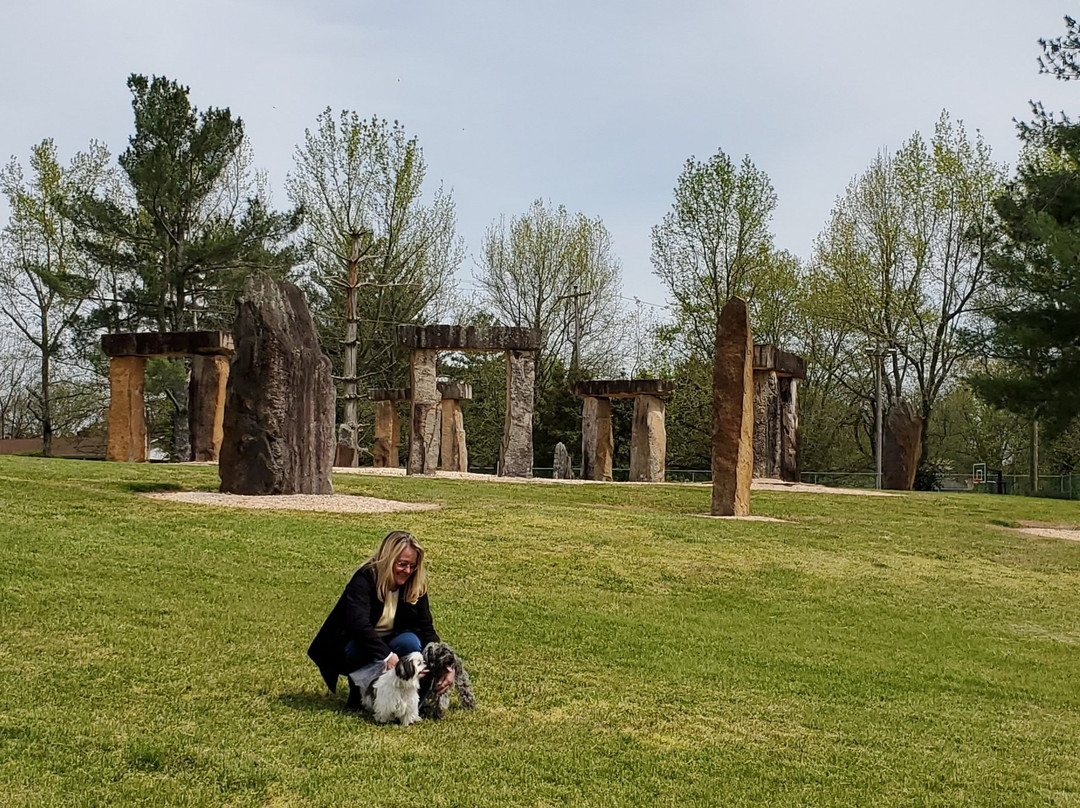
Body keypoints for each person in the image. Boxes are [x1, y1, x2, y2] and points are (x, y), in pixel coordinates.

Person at [308, 530, 455, 709]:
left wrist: (445, 665)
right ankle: (359, 690)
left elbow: (426, 628)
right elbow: (358, 624)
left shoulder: (415, 585)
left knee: (411, 642)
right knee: (358, 648)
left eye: (413, 566)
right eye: (402, 564)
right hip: (357, 643)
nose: (408, 571)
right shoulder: (365, 578)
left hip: (393, 640)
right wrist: (386, 655)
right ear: (388, 559)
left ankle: (407, 701)